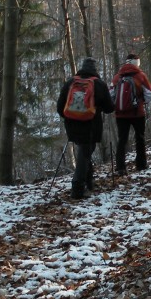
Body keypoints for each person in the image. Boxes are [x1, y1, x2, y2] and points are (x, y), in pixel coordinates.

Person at [57, 57, 114, 199]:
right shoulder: (99, 84)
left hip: (72, 125)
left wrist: (72, 116)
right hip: (91, 125)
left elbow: (60, 107)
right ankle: (77, 188)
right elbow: (109, 108)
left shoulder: (70, 83)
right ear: (95, 69)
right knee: (85, 152)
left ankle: (89, 183)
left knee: (84, 151)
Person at [111, 54, 151, 173]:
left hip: (120, 114)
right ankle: (141, 164)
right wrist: (141, 102)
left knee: (122, 139)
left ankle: (120, 167)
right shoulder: (141, 76)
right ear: (137, 63)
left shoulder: (117, 77)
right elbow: (149, 95)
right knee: (140, 137)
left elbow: (111, 95)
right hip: (137, 113)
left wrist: (118, 104)